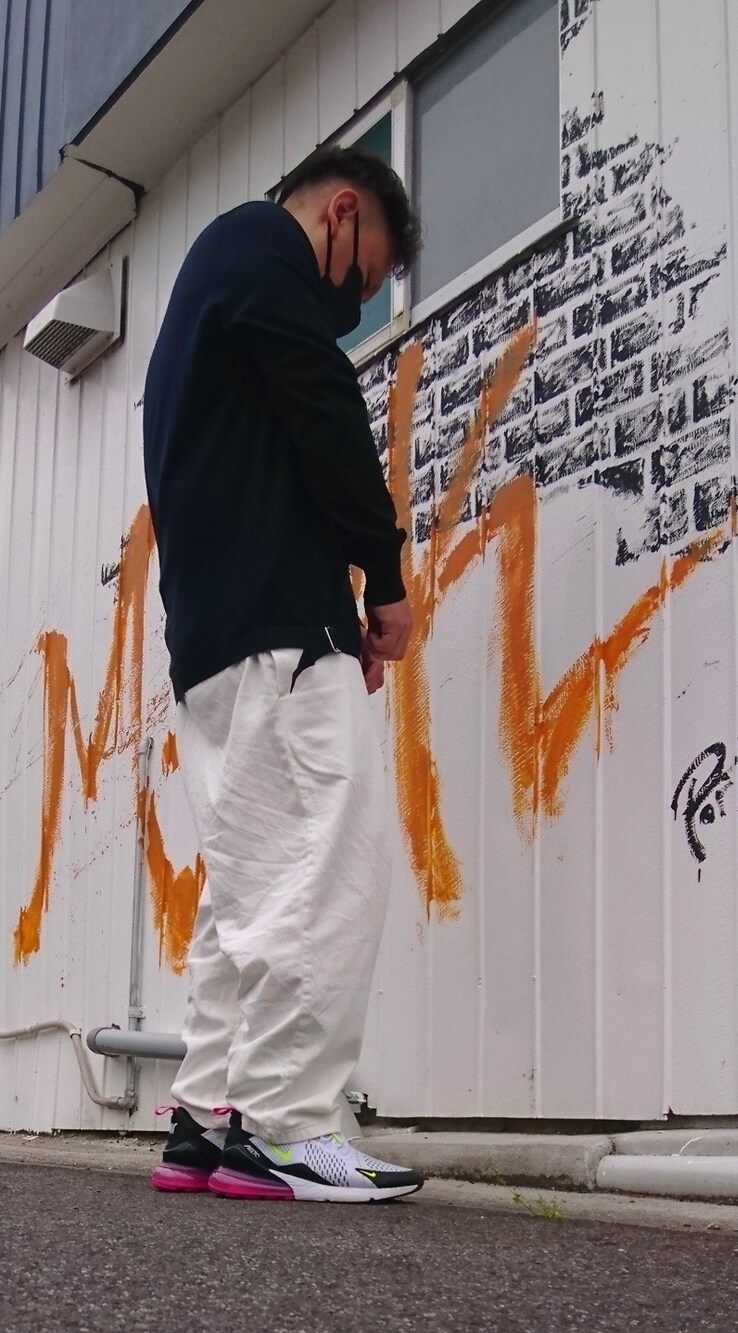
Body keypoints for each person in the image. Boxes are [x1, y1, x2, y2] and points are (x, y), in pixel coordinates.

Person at [142, 145, 423, 1203]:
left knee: (252, 882)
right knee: (332, 860)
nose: (348, 309)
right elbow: (323, 407)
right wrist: (381, 574)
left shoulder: (213, 278)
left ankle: (207, 1117)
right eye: (360, 281)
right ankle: (290, 1125)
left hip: (218, 635)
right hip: (275, 628)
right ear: (339, 212)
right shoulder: (263, 246)